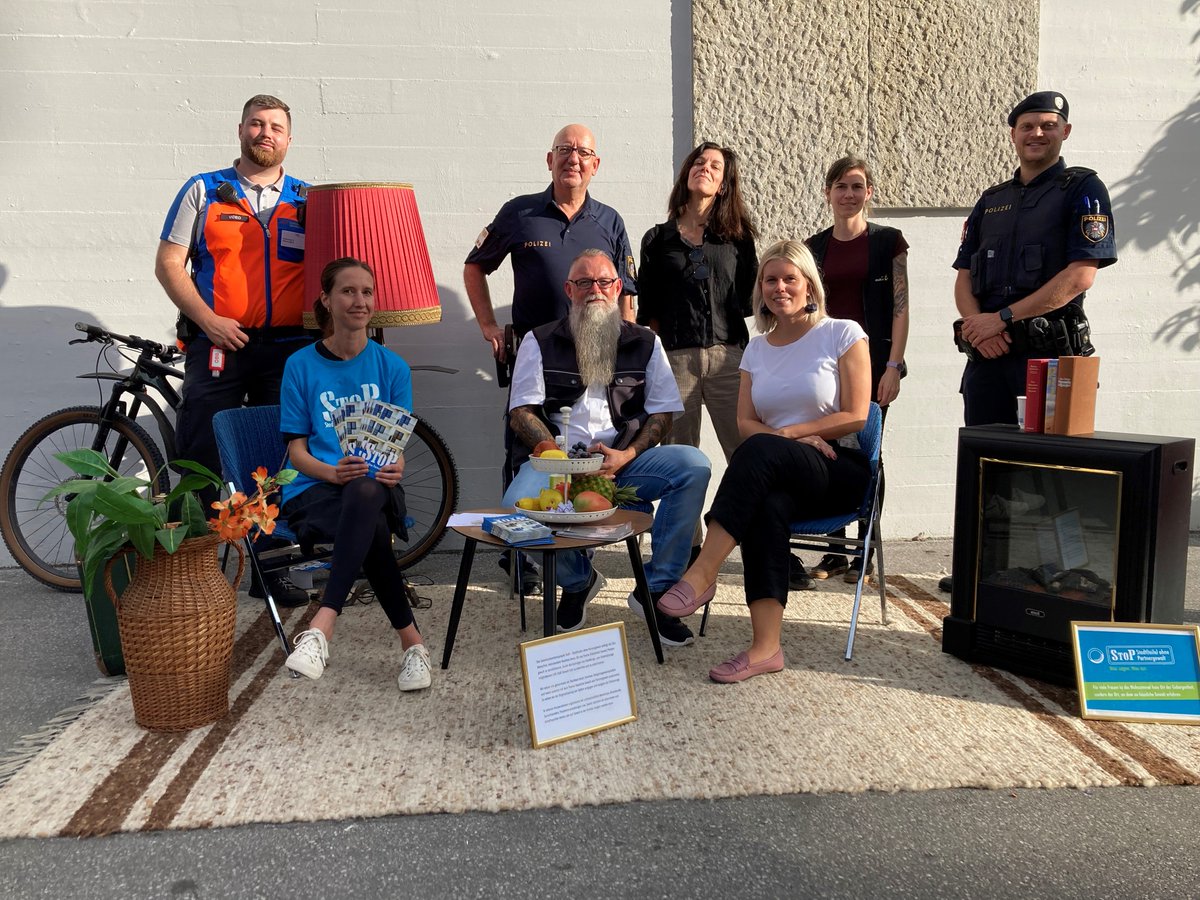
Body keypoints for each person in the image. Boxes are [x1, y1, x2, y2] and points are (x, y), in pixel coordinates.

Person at [655, 240, 871, 683]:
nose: (779, 287)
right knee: (765, 505)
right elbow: (745, 421)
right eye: (770, 279)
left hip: (838, 467)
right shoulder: (756, 348)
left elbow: (857, 414)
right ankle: (765, 649)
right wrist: (783, 442)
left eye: (789, 278)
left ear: (809, 284)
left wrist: (795, 435)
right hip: (779, 473)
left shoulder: (843, 333)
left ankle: (703, 571)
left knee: (759, 451)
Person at [941, 90, 1117, 592]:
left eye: (1047, 124)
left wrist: (1003, 319)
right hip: (990, 356)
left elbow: (1080, 275)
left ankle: (1067, 572)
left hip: (1050, 356)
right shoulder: (991, 200)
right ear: (1013, 134)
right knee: (987, 467)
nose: (1036, 133)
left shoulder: (1083, 189)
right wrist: (979, 327)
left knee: (1055, 473)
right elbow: (963, 276)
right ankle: (982, 568)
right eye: (1026, 126)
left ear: (1064, 131)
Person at [501, 249, 712, 647]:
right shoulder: (539, 340)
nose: (594, 290)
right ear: (569, 290)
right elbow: (521, 412)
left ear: (617, 288)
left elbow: (663, 414)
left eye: (603, 282)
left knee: (694, 465)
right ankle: (579, 580)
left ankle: (656, 589)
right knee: (517, 512)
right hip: (554, 461)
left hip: (621, 461)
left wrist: (627, 456)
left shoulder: (646, 342)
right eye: (583, 282)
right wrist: (553, 455)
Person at [464, 124, 640, 595]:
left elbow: (627, 295)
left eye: (584, 152)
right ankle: (518, 555)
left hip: (595, 360)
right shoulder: (519, 213)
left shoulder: (610, 221)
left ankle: (573, 551)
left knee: (582, 448)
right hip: (532, 358)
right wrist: (486, 325)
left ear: (595, 164)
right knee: (523, 450)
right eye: (565, 151)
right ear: (549, 159)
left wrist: (628, 351)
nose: (574, 159)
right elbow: (474, 265)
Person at [156, 93, 312, 605]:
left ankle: (271, 570)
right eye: (256, 124)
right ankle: (191, 569)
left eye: (276, 127)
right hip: (218, 344)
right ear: (240, 129)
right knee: (199, 452)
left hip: (287, 347)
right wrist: (208, 320)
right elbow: (169, 264)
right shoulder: (204, 191)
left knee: (275, 458)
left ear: (289, 140)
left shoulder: (309, 200)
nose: (265, 133)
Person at [277, 258, 430, 691]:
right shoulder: (300, 365)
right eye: (348, 291)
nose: (359, 301)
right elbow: (296, 450)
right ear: (326, 299)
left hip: (375, 487)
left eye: (367, 291)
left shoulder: (392, 368)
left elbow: (394, 448)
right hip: (316, 487)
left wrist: (396, 464)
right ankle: (413, 645)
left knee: (366, 494)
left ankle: (321, 625)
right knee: (371, 526)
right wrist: (332, 471)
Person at [792, 155, 909, 589]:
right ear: (828, 193)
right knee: (826, 450)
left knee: (868, 453)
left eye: (857, 186)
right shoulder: (814, 248)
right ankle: (835, 551)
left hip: (875, 366)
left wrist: (893, 365)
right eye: (840, 186)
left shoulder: (888, 242)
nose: (848, 194)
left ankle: (865, 551)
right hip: (824, 369)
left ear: (869, 193)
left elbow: (901, 309)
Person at [637, 141, 758, 502]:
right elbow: (650, 312)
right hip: (676, 360)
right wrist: (659, 365)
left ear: (723, 185)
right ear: (687, 173)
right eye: (699, 162)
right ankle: (687, 550)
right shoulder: (657, 239)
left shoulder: (738, 239)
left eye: (715, 166)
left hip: (730, 358)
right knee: (680, 458)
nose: (704, 167)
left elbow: (751, 302)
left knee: (746, 452)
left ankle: (755, 543)